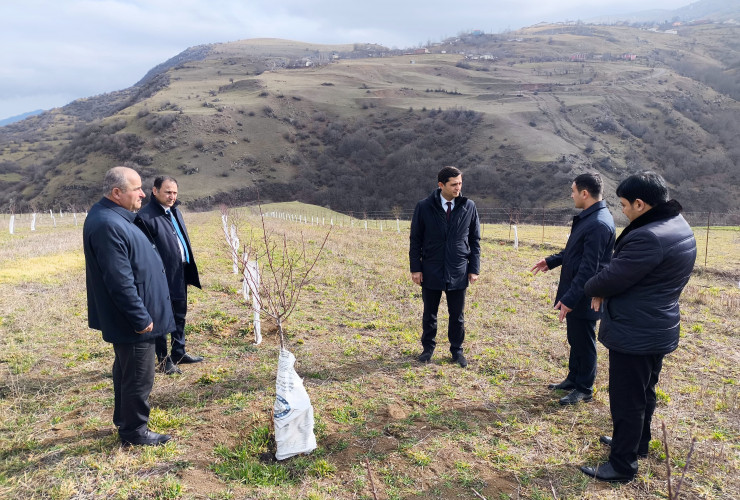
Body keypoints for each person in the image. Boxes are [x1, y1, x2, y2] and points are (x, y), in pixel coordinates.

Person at [580, 171, 697, 483]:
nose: (623, 211)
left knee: (626, 399)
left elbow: (609, 278)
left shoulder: (648, 236)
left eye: (624, 205)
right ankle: (636, 444)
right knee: (645, 391)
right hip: (658, 323)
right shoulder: (678, 225)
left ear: (641, 204)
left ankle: (621, 465)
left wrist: (595, 286)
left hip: (635, 331)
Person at [83, 166, 175, 446]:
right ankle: (134, 432)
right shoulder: (108, 224)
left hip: (134, 316)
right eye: (136, 188)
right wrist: (140, 318)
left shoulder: (115, 217)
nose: (143, 193)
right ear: (116, 193)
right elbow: (119, 280)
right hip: (133, 320)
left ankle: (126, 423)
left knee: (126, 371)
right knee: (138, 376)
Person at [531, 173, 615, 405]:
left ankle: (584, 388)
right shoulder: (591, 218)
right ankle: (573, 378)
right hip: (578, 291)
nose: (571, 195)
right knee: (575, 338)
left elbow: (590, 268)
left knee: (584, 340)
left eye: (573, 190)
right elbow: (576, 252)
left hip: (585, 294)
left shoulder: (598, 223)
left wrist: (570, 299)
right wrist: (552, 260)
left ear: (584, 193)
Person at [409, 166, 481, 368]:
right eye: (454, 184)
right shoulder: (424, 206)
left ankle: (457, 351)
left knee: (457, 315)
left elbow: (475, 240)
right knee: (429, 313)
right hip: (431, 267)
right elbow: (415, 240)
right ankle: (427, 349)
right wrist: (416, 268)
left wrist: (474, 268)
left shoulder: (469, 206)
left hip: (458, 269)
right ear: (441, 185)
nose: (458, 188)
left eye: (460, 183)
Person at [139, 176, 203, 375]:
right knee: (160, 317)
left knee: (179, 313)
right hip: (160, 277)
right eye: (167, 192)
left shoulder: (174, 212)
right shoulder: (145, 217)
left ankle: (179, 352)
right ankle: (163, 360)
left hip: (179, 272)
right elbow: (146, 253)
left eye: (174, 192)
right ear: (155, 191)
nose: (172, 196)